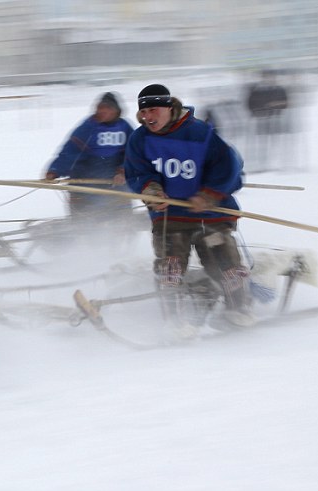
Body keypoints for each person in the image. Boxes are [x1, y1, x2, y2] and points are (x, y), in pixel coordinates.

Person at [123, 83, 254, 332]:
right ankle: (174, 322)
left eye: (153, 110)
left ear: (168, 107)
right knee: (169, 270)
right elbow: (138, 172)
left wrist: (209, 194)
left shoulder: (200, 133)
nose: (147, 117)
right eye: (143, 112)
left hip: (212, 215)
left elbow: (228, 168)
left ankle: (239, 309)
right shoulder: (139, 140)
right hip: (169, 216)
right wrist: (151, 191)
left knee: (225, 265)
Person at [44, 92, 135, 228]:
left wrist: (123, 171)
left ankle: (122, 242)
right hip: (85, 185)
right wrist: (55, 170)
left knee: (121, 224)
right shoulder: (88, 127)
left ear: (116, 111)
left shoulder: (125, 127)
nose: (102, 111)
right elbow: (70, 151)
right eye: (100, 108)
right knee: (83, 225)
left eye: (107, 108)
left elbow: (134, 153)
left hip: (115, 186)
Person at [245, 70, 289, 172]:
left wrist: (278, 108)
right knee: (261, 143)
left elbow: (286, 102)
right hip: (260, 119)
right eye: (266, 77)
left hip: (275, 119)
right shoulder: (256, 90)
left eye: (270, 77)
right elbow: (249, 103)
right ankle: (261, 164)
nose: (269, 79)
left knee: (275, 142)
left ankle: (274, 164)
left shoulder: (279, 89)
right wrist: (257, 112)